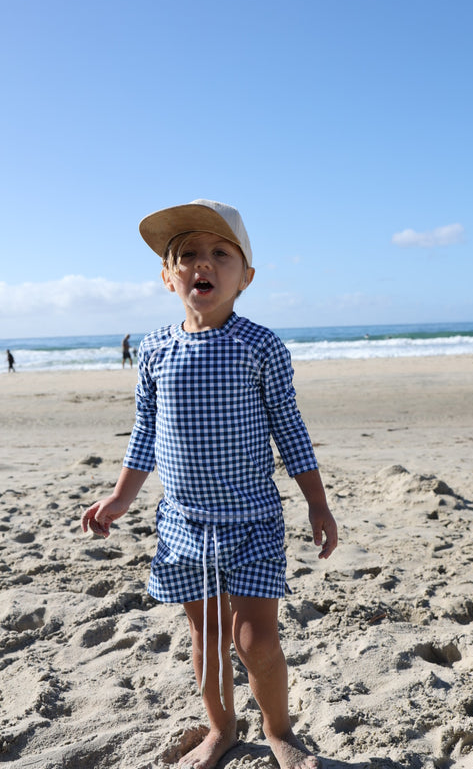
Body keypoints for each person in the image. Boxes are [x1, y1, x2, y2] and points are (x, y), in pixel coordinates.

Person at [81, 199, 337, 769]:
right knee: (208, 642)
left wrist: (317, 503)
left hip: (253, 519)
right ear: (168, 277)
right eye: (188, 254)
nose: (204, 263)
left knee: (256, 643)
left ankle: (279, 732)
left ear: (244, 277)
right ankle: (221, 728)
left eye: (221, 253)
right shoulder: (155, 350)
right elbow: (146, 431)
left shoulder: (260, 346)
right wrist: (122, 497)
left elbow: (288, 428)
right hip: (183, 523)